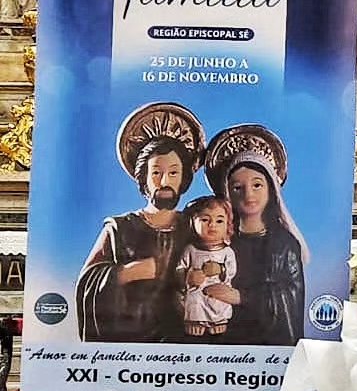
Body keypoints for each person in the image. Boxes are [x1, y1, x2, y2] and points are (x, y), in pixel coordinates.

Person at [77, 103, 205, 342]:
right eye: (156, 172)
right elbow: (88, 283)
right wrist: (126, 273)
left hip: (186, 343)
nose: (164, 180)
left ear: (184, 178)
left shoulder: (196, 227)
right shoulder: (119, 228)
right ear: (144, 179)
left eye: (174, 172)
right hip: (131, 347)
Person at [203, 125, 306, 346]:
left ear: (270, 189)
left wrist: (241, 297)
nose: (249, 194)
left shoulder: (284, 244)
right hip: (220, 343)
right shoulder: (217, 240)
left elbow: (290, 297)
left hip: (264, 347)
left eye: (257, 185)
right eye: (238, 187)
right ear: (227, 192)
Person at [177, 195, 238, 338]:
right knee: (194, 299)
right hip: (196, 289)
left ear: (228, 224)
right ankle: (195, 322)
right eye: (205, 220)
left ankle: (218, 322)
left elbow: (232, 270)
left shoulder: (227, 251)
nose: (212, 225)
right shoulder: (191, 249)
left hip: (217, 290)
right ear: (193, 223)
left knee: (220, 300)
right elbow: (179, 268)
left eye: (219, 220)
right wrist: (188, 276)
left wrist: (221, 269)